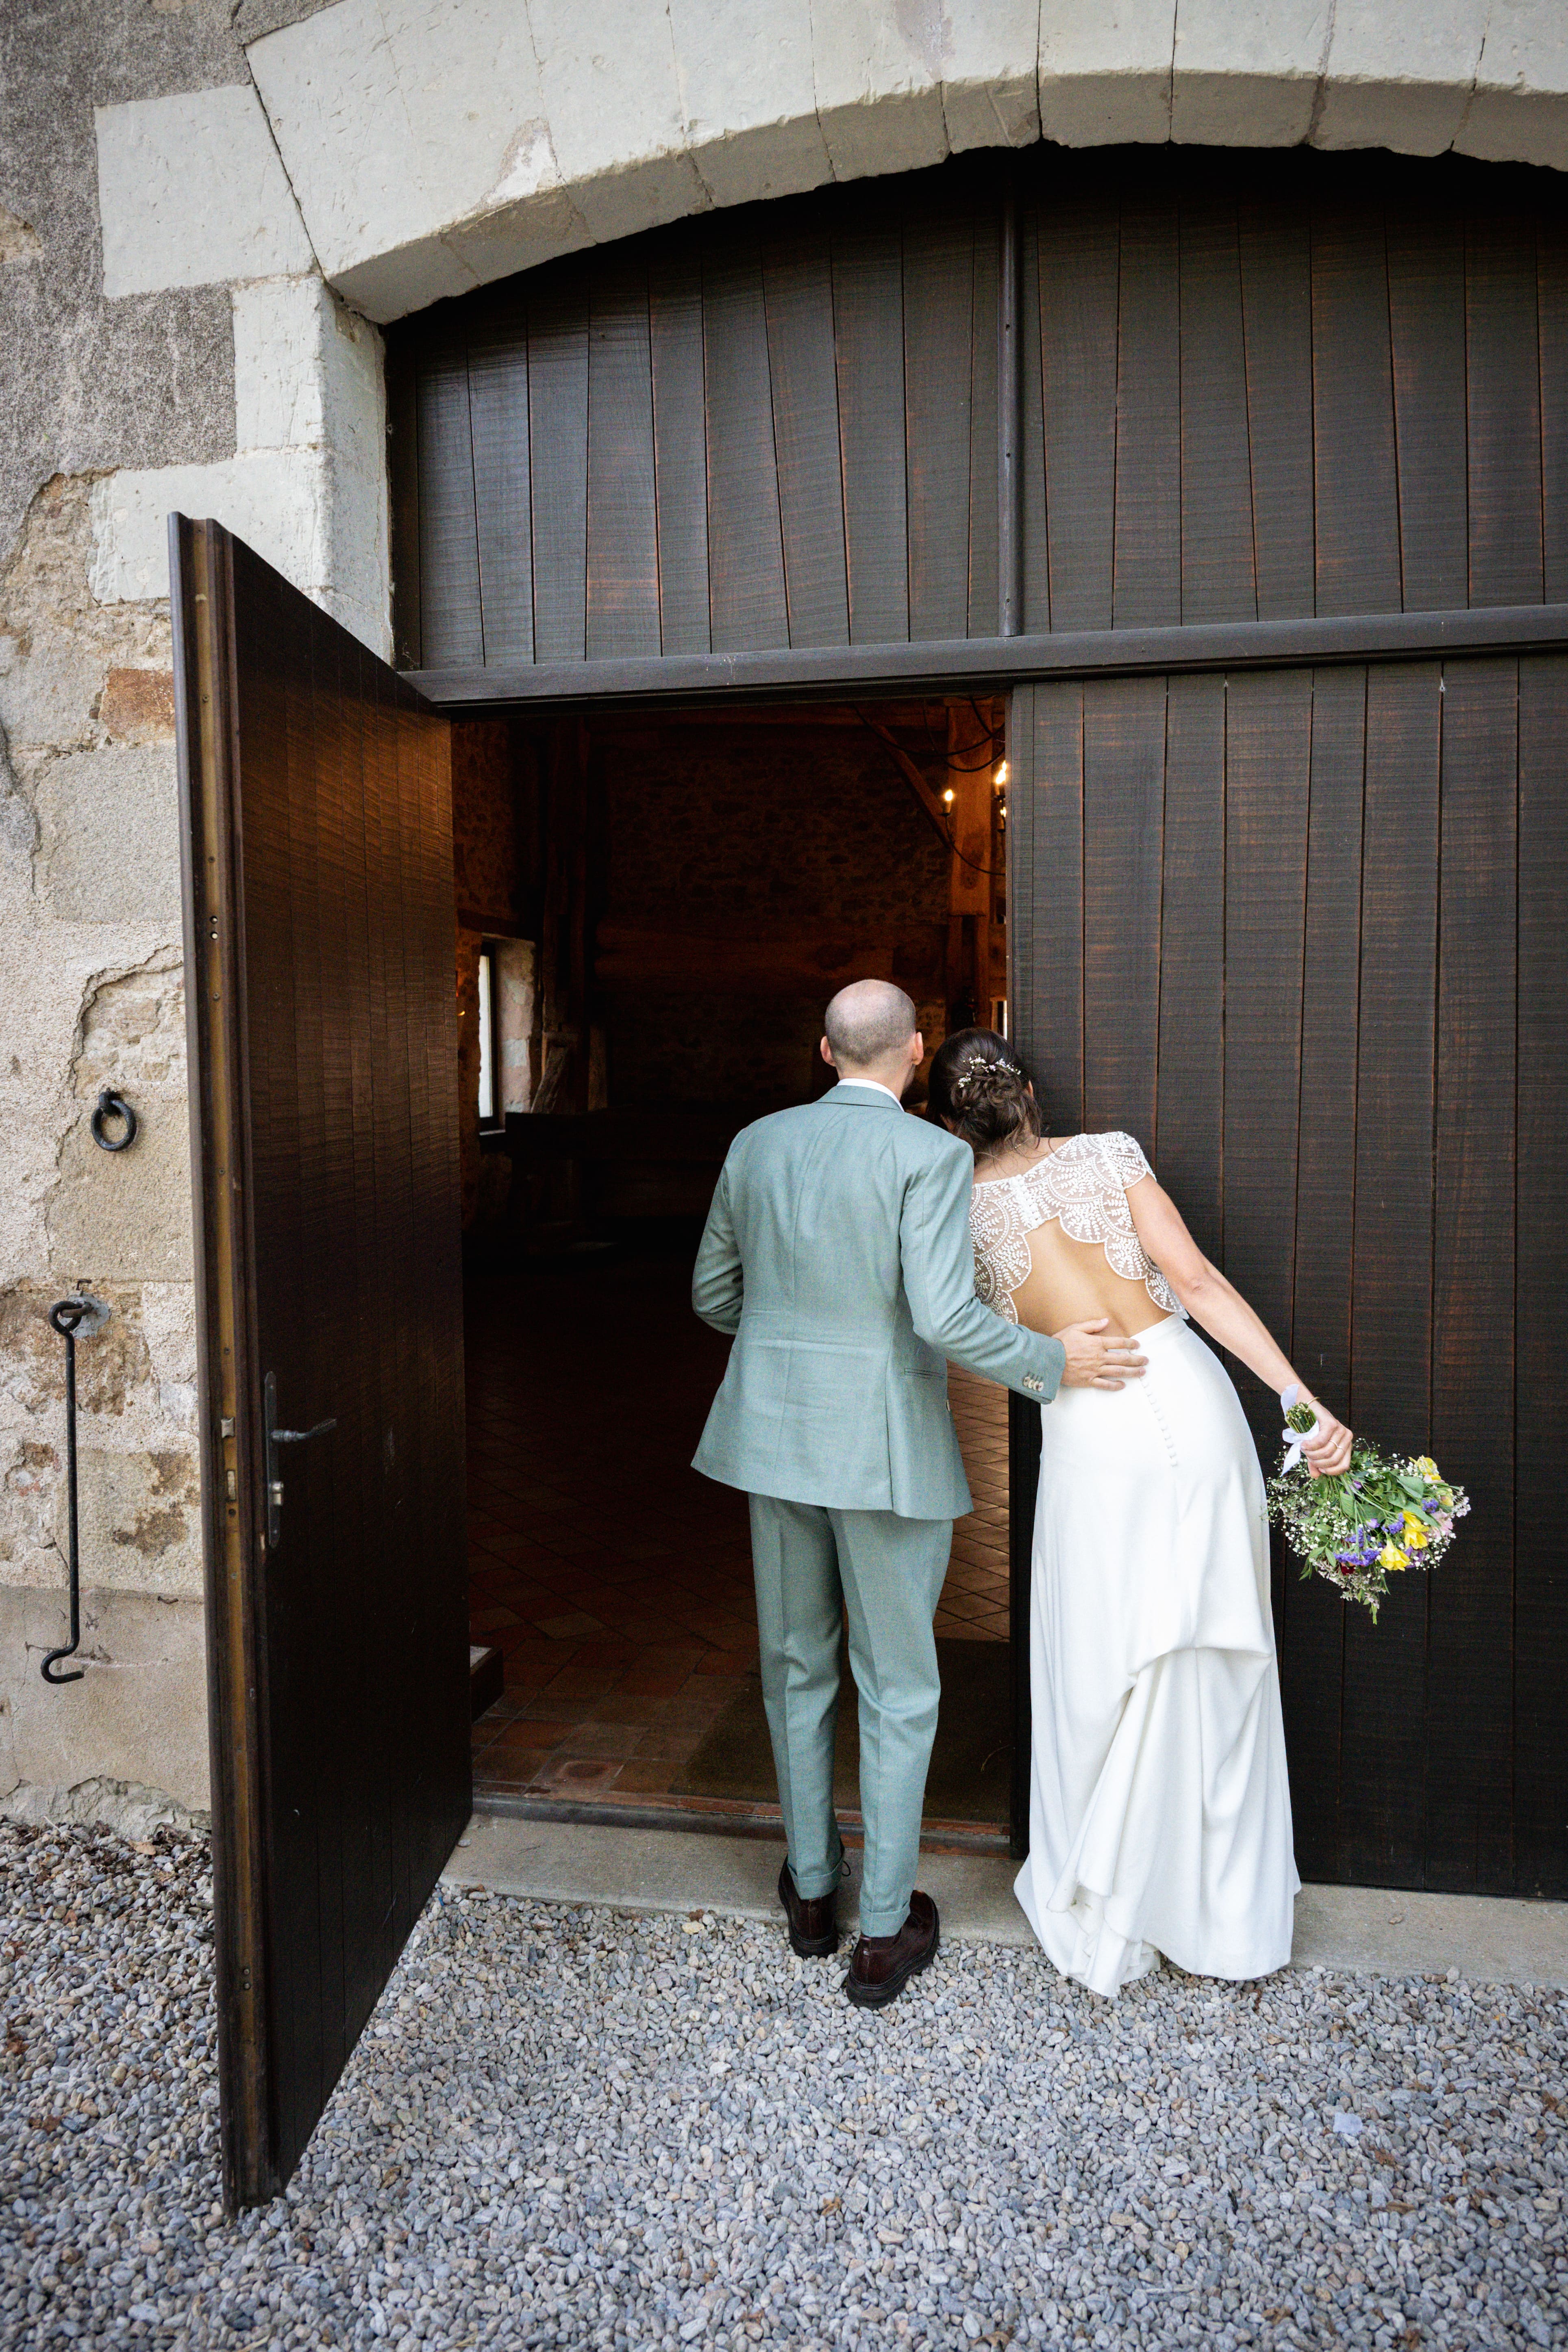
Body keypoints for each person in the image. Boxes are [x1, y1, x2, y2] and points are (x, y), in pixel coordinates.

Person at [691, 982, 1146, 2007]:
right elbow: (944, 1314)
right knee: (897, 1684)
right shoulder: (930, 1156)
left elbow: (713, 1295)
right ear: (912, 1053)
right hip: (884, 1451)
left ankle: (812, 1895)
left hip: (773, 1441)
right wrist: (1050, 1358)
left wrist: (786, 1356)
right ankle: (885, 1930)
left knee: (795, 1667)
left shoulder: (756, 1144)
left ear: (824, 1050)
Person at [928, 1028, 1353, 1998]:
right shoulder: (1110, 1155)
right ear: (1031, 1093)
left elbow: (946, 1331)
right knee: (1208, 1653)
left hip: (1090, 1427)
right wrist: (1301, 1401)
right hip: (1190, 1405)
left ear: (951, 1123)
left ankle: (1112, 1898)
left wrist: (1028, 1346)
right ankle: (1223, 1917)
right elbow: (1197, 1284)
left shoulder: (951, 1204)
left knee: (1099, 1660)